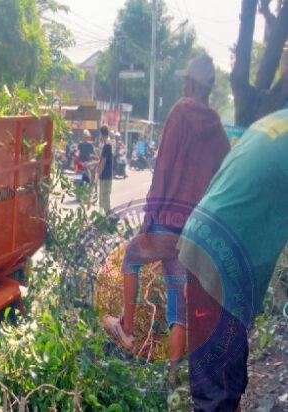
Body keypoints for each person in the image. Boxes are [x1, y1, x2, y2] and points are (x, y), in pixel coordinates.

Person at [102, 55, 230, 371]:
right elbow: (224, 173)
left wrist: (148, 217)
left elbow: (163, 168)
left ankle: (127, 330)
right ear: (210, 87)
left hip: (168, 221)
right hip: (193, 230)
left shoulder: (180, 113)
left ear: (188, 82)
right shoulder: (217, 128)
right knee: (176, 295)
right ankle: (173, 375)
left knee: (131, 257)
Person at [177, 108, 288, 411]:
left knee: (223, 377)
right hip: (223, 255)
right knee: (218, 390)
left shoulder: (276, 119)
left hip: (203, 237)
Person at [98, 126, 113, 213]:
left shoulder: (107, 145)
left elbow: (103, 162)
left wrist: (98, 174)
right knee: (103, 198)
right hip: (107, 175)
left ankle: (108, 217)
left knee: (104, 198)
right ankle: (102, 217)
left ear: (101, 134)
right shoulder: (108, 144)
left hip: (105, 176)